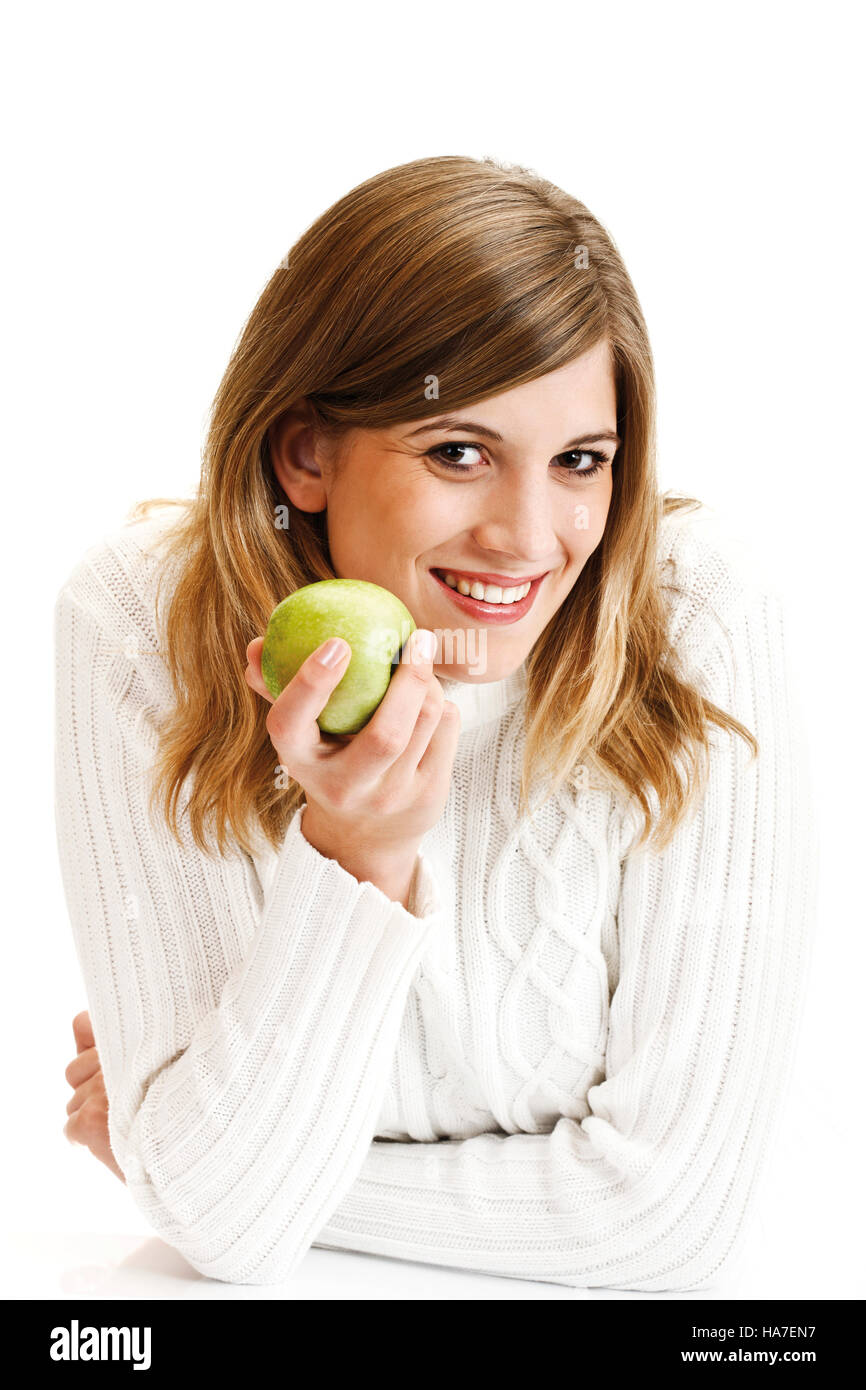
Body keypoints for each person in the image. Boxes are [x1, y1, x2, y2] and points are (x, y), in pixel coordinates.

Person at [55, 154, 818, 1291]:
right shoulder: (139, 623)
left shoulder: (696, 616)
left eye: (578, 462)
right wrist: (357, 854)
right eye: (457, 452)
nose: (526, 536)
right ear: (305, 452)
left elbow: (667, 1218)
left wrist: (203, 1169)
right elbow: (217, 1230)